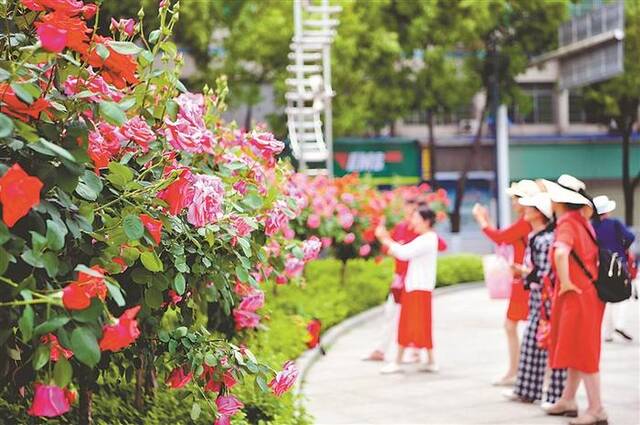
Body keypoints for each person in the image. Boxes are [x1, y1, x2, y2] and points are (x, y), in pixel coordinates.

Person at [542, 175, 607, 425]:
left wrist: (566, 282)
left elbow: (561, 253)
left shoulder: (567, 222)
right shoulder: (582, 219)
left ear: (559, 200)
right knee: (578, 349)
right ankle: (568, 399)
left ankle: (597, 409)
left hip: (576, 295)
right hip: (589, 294)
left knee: (585, 353)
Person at [472, 179, 538, 386]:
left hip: (523, 280)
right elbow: (504, 237)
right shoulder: (527, 221)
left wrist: (482, 221)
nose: (513, 203)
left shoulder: (525, 222)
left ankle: (516, 371)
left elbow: (500, 237)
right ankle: (521, 371)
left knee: (515, 326)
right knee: (520, 326)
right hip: (523, 279)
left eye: (516, 198)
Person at [504, 192, 567, 404]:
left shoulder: (544, 239)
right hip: (539, 297)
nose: (524, 211)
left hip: (544, 299)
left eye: (529, 208)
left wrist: (523, 272)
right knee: (534, 342)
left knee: (546, 343)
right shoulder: (538, 237)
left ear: (539, 213)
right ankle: (530, 390)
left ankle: (544, 392)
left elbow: (544, 273)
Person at [375, 205, 439, 374]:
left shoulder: (427, 239)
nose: (413, 222)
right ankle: (431, 361)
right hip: (419, 287)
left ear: (426, 221)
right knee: (421, 325)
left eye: (416, 219)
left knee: (407, 324)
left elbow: (403, 252)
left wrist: (385, 239)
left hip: (417, 288)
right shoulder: (427, 238)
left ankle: (398, 361)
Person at [363, 198, 419, 362]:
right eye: (407, 211)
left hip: (414, 280)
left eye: (413, 212)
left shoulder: (422, 234)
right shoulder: (401, 227)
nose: (410, 216)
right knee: (390, 313)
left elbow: (401, 250)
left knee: (412, 316)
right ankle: (381, 350)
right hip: (399, 279)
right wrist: (384, 236)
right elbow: (390, 248)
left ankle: (415, 350)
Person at [591, 195, 635, 342]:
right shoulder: (615, 223)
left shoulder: (592, 225)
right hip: (617, 262)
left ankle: (607, 333)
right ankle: (620, 324)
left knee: (606, 295)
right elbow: (630, 237)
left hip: (600, 265)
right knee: (624, 292)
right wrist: (623, 247)